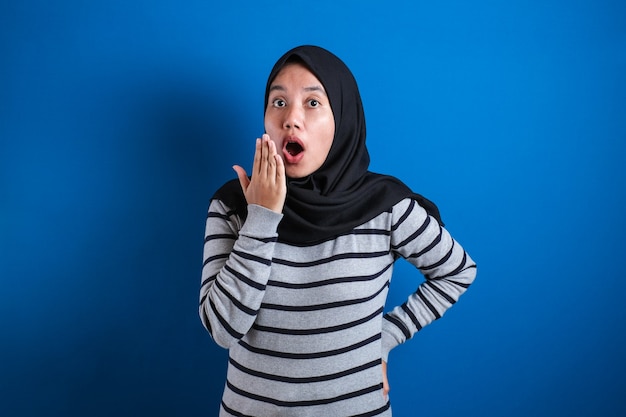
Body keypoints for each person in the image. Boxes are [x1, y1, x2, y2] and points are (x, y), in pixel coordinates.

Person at [199, 45, 477, 417]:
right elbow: (222, 330)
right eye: (278, 102)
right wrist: (262, 216)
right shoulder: (233, 205)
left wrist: (386, 337)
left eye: (313, 103)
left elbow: (458, 271)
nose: (291, 119)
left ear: (343, 118)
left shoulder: (385, 207)